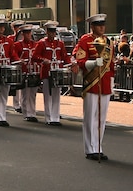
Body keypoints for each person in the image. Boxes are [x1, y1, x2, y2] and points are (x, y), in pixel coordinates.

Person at [75, 13, 114, 161]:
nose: (102, 27)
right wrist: (92, 64)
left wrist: (111, 82)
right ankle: (89, 148)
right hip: (92, 83)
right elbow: (79, 59)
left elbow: (111, 65)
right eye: (98, 25)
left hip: (104, 83)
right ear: (92, 26)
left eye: (103, 24)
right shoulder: (85, 40)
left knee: (101, 118)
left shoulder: (109, 42)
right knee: (90, 117)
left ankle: (98, 147)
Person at [36, 21, 70, 125]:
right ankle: (48, 117)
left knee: (57, 95)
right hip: (47, 72)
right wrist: (43, 60)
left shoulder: (60, 44)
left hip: (57, 72)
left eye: (54, 31)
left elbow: (65, 57)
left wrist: (70, 64)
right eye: (50, 31)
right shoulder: (41, 43)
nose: (52, 33)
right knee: (48, 95)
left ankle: (55, 117)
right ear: (46, 32)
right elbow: (35, 56)